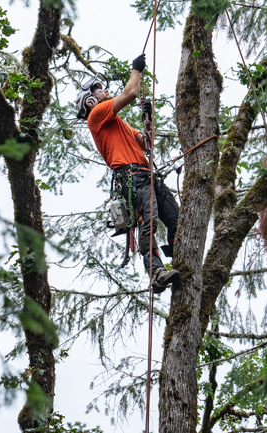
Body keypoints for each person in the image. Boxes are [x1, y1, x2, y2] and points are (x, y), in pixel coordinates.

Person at [76, 54, 180, 293]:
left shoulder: (117, 123)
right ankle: (156, 273)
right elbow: (131, 93)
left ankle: (179, 257)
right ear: (90, 101)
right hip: (132, 178)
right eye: (99, 90)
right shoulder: (96, 116)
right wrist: (136, 70)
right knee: (148, 221)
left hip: (147, 176)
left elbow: (146, 143)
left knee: (177, 219)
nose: (105, 91)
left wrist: (148, 120)